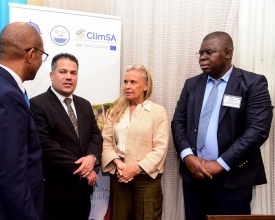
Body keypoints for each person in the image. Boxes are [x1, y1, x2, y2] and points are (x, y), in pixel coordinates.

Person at [171, 31, 273, 220]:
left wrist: (220, 163)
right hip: (195, 177)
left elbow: (258, 130)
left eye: (209, 52)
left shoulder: (252, 83)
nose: (202, 57)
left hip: (233, 179)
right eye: (200, 53)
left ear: (228, 53)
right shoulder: (191, 84)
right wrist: (188, 157)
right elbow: (178, 122)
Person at [0, 22, 47, 220]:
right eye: (42, 56)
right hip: (5, 211)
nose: (41, 62)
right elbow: (11, 177)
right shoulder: (6, 96)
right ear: (31, 54)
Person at [30, 53, 103, 220]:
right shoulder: (38, 105)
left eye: (73, 73)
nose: (69, 77)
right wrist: (84, 169)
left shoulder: (84, 104)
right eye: (63, 72)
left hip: (83, 192)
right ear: (51, 75)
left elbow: (96, 136)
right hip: (56, 192)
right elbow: (45, 144)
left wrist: (92, 157)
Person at [101, 64, 169, 220]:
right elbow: (106, 142)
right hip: (120, 178)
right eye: (125, 82)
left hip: (147, 180)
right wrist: (119, 164)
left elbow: (160, 148)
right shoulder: (115, 111)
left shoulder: (157, 112)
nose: (127, 86)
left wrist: (136, 169)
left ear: (145, 85)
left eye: (133, 82)